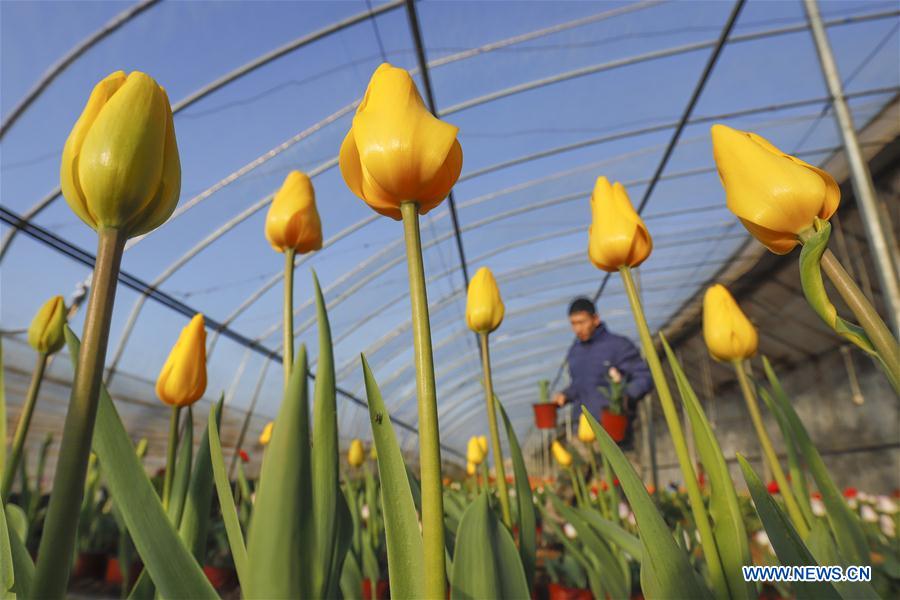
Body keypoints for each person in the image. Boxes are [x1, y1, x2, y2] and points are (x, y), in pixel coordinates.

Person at [553, 297, 653, 448]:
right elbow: (580, 385)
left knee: (621, 470)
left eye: (582, 322)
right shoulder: (575, 351)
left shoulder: (618, 346)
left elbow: (643, 377)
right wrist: (566, 394)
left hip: (613, 428)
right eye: (573, 323)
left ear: (595, 319)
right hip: (583, 429)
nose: (577, 329)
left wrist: (624, 397)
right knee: (589, 471)